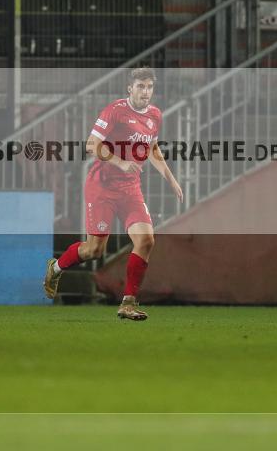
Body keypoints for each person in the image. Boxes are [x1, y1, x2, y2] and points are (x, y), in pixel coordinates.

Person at [43, 66, 183, 320]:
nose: (146, 91)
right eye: (141, 86)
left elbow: (152, 148)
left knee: (146, 240)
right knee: (95, 250)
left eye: (150, 86)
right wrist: (120, 161)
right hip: (102, 186)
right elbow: (91, 145)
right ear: (130, 88)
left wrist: (171, 179)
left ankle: (128, 303)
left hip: (130, 189)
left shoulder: (154, 115)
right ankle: (56, 266)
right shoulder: (115, 111)